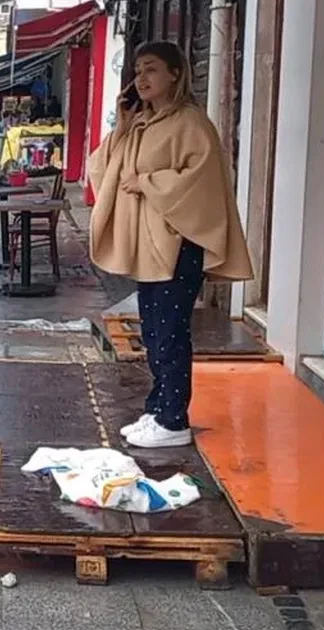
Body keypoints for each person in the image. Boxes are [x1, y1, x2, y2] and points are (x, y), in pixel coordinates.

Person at [87, 41, 253, 449]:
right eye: (138, 71)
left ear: (176, 74)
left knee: (171, 331)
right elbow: (104, 166)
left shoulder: (190, 124)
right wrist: (124, 123)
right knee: (155, 332)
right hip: (149, 247)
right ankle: (159, 407)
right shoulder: (144, 122)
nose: (142, 79)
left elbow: (199, 182)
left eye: (152, 70)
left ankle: (174, 418)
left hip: (179, 245)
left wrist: (146, 182)